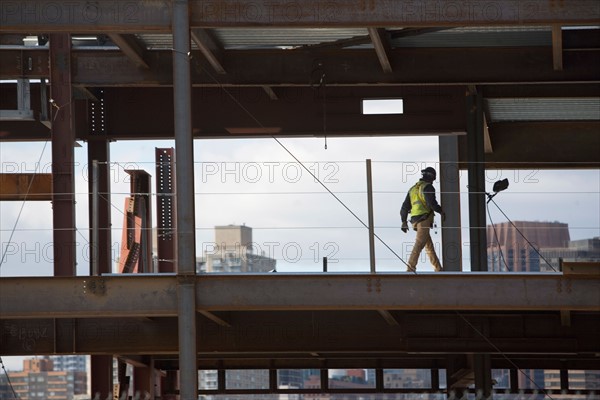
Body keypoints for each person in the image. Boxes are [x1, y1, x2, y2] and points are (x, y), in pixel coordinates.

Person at [400, 167, 444, 272]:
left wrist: (404, 221)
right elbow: (431, 203)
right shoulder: (428, 187)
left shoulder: (413, 189)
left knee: (429, 246)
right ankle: (410, 268)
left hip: (415, 220)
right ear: (432, 177)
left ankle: (438, 269)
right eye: (433, 179)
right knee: (419, 243)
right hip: (424, 219)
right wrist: (441, 211)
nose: (433, 181)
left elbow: (404, 207)